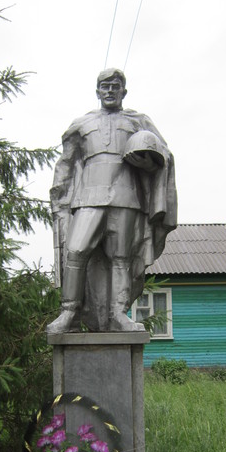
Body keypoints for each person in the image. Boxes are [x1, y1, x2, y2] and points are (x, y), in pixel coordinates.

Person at [47, 68, 177, 333]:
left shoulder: (138, 121)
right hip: (88, 199)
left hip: (127, 198)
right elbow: (66, 164)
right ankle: (69, 311)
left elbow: (163, 154)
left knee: (121, 258)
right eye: (104, 86)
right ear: (97, 92)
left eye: (115, 86)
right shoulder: (81, 124)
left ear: (123, 91)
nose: (109, 91)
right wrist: (59, 200)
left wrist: (149, 162)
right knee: (76, 250)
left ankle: (118, 314)